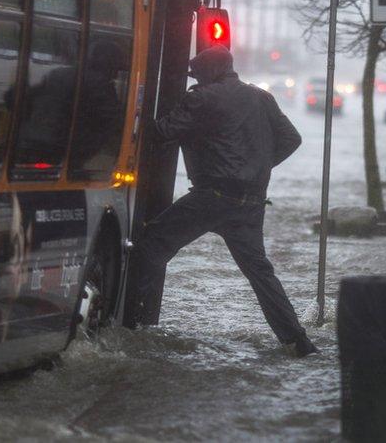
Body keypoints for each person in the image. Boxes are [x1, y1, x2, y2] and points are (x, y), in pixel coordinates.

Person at [130, 45, 318, 357]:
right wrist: (256, 166)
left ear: (206, 72)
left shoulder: (202, 97)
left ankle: (130, 325)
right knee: (260, 273)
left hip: (211, 197)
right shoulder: (262, 97)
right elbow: (292, 139)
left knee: (150, 246)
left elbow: (162, 132)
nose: (195, 79)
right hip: (252, 201)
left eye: (196, 74)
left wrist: (132, 112)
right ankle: (299, 342)